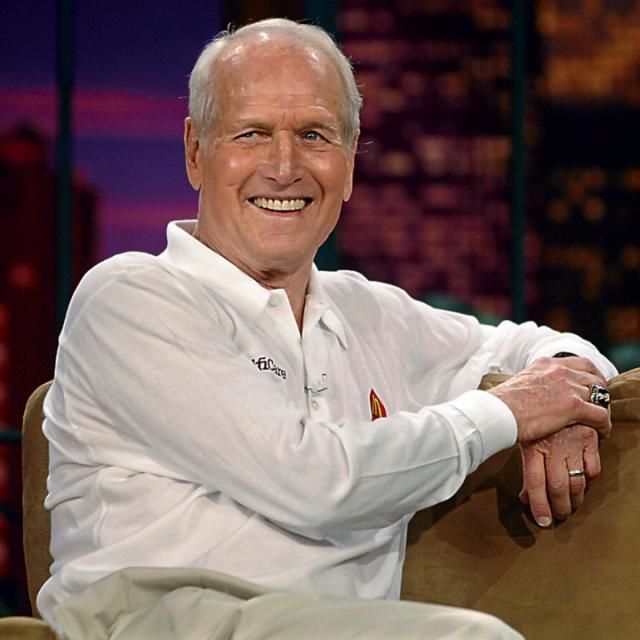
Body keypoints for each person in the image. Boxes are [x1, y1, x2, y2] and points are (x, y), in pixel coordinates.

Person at [38, 18, 615, 640]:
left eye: (313, 135)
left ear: (350, 159)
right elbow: (315, 483)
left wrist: (570, 392)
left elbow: (534, 344)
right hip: (157, 621)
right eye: (253, 134)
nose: (284, 167)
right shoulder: (130, 298)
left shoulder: (367, 312)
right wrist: (509, 412)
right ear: (196, 151)